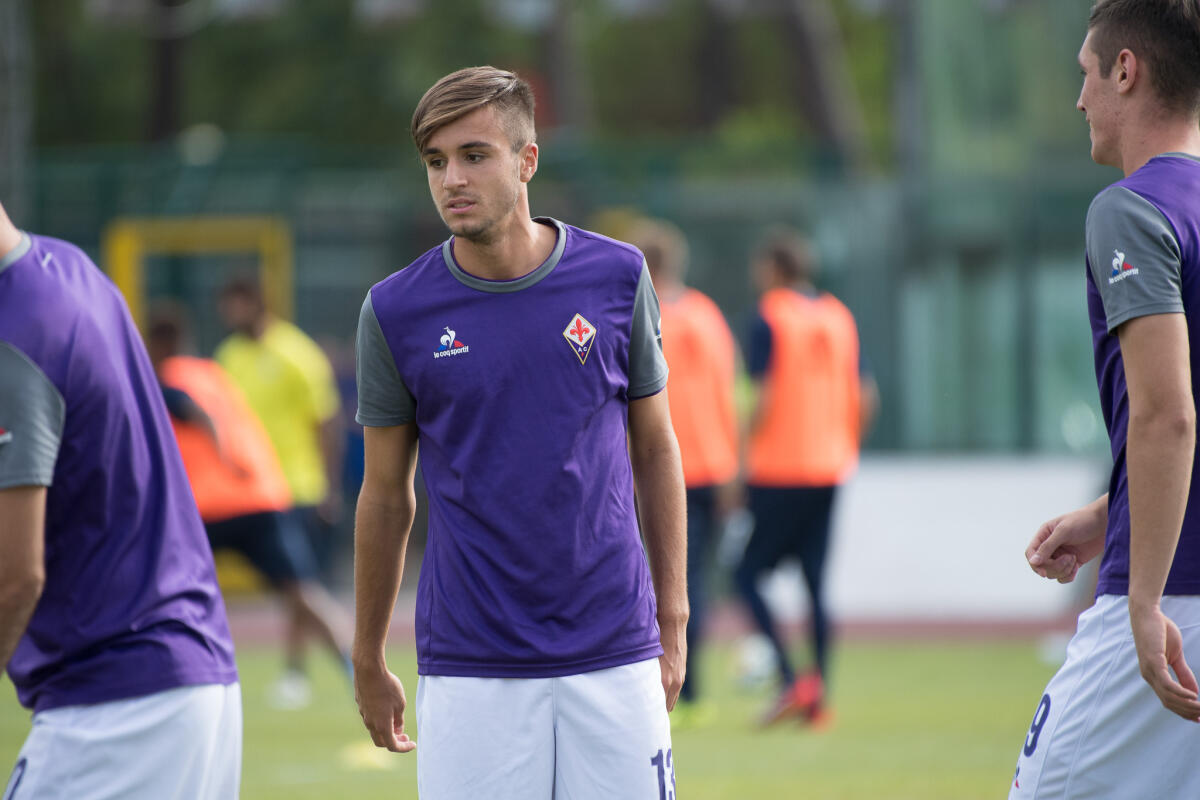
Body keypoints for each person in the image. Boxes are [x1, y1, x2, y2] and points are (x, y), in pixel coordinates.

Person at [352, 66, 687, 799]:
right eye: (435, 161)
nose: (452, 180)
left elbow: (656, 447)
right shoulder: (395, 312)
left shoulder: (617, 276)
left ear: (527, 159)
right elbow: (385, 495)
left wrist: (674, 612)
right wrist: (367, 652)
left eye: (474, 155)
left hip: (615, 649)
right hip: (472, 664)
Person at [1011, 2, 1200, 796]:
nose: (1079, 98)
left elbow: (1168, 414)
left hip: (1174, 595)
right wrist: (1110, 508)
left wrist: (1144, 602)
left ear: (1127, 70)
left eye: (1086, 74)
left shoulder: (1130, 209)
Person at [0, 203, 241, 798]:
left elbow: (15, 578)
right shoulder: (70, 268)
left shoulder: (11, 333)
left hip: (118, 713)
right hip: (191, 681)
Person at [146, 306, 355, 709]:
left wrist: (222, 453)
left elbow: (195, 415)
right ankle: (355, 666)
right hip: (260, 497)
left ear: (158, 344)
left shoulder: (168, 377)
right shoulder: (214, 374)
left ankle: (165, 678)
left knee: (162, 589)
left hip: (211, 507)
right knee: (302, 592)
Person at [734, 227, 878, 727]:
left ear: (774, 268)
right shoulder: (838, 317)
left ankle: (791, 679)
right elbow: (866, 397)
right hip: (829, 467)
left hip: (779, 470)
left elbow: (764, 397)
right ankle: (819, 696)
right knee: (815, 583)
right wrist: (844, 445)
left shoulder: (770, 315)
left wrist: (741, 458)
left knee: (746, 574)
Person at [216, 277, 344, 706]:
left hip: (298, 488)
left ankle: (312, 668)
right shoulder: (229, 356)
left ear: (258, 302)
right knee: (294, 587)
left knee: (299, 586)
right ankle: (299, 672)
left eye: (238, 303)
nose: (231, 314)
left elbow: (326, 421)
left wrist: (329, 487)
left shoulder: (296, 353)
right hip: (251, 493)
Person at [631, 217, 738, 725]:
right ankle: (689, 689)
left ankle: (663, 685)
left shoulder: (635, 311)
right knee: (693, 581)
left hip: (655, 468)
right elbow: (728, 389)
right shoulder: (706, 314)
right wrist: (734, 465)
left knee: (652, 578)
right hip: (711, 464)